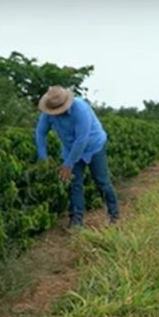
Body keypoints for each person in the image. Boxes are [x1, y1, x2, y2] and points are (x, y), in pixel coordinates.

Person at [34, 85, 120, 227]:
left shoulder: (80, 109)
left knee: (102, 182)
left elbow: (81, 140)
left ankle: (114, 215)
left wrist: (68, 164)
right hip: (70, 148)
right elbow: (40, 133)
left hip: (94, 146)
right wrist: (42, 157)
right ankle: (76, 221)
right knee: (74, 184)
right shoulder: (48, 113)